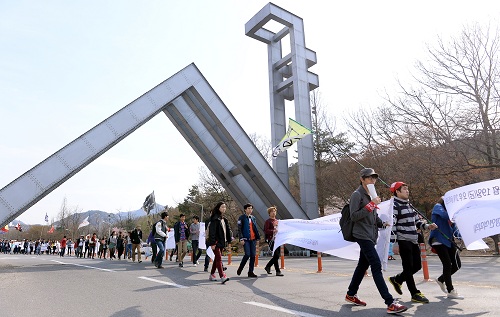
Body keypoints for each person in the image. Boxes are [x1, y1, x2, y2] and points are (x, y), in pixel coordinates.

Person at [345, 168, 407, 314]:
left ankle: (351, 294)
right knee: (376, 264)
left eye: (374, 178)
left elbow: (372, 216)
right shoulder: (357, 195)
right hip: (362, 235)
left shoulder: (370, 195)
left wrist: (382, 223)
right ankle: (390, 302)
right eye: (369, 178)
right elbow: (354, 216)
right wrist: (371, 204)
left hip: (371, 235)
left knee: (362, 266)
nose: (372, 180)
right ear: (362, 179)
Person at [387, 181, 438, 304]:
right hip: (403, 240)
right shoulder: (394, 206)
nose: (407, 191)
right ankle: (414, 293)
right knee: (408, 267)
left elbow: (417, 222)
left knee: (417, 266)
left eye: (407, 188)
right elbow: (392, 226)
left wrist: (428, 226)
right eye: (404, 189)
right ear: (397, 192)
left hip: (413, 239)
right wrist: (395, 243)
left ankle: (397, 279)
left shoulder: (409, 205)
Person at [429, 198, 463, 299]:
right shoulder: (438, 207)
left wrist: (462, 235)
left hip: (449, 240)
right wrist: (455, 214)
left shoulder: (450, 213)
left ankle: (441, 279)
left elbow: (454, 229)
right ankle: (450, 291)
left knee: (457, 265)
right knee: (447, 264)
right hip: (439, 239)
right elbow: (445, 216)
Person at [208, 201, 231, 284]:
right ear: (218, 208)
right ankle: (222, 276)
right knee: (219, 259)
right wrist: (213, 243)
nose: (224, 208)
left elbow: (227, 231)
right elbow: (212, 232)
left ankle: (212, 274)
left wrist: (229, 241)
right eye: (222, 207)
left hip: (222, 241)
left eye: (225, 207)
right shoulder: (215, 219)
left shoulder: (224, 219)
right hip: (216, 242)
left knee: (217, 259)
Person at [236, 203, 261, 278]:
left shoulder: (253, 218)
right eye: (249, 208)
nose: (250, 210)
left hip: (253, 239)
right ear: (245, 209)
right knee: (247, 254)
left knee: (253, 255)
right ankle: (240, 268)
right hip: (245, 239)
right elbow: (239, 229)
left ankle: (251, 272)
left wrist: (257, 238)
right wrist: (241, 238)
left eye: (251, 208)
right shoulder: (241, 218)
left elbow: (255, 228)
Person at [264, 206, 283, 276]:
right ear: (269, 213)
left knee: (276, 256)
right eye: (272, 211)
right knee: (276, 255)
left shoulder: (278, 221)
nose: (274, 213)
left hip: (278, 240)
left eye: (275, 211)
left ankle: (268, 266)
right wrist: (273, 231)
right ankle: (278, 271)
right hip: (271, 240)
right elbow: (266, 230)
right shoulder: (268, 221)